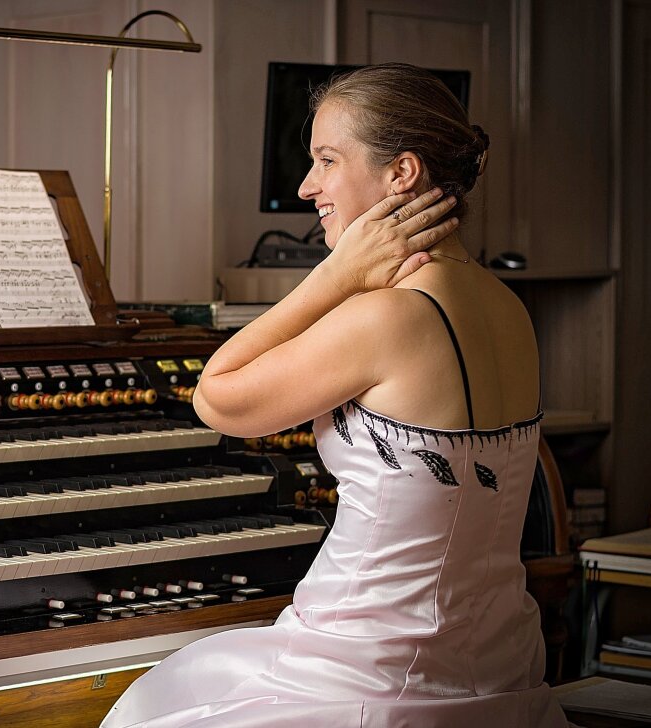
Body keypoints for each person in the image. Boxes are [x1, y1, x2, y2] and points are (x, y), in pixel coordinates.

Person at [100, 63, 570, 728]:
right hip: (499, 664)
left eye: (326, 159)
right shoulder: (507, 307)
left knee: (149, 705)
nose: (306, 185)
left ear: (401, 173)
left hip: (370, 671)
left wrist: (334, 275)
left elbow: (216, 398)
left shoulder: (385, 317)